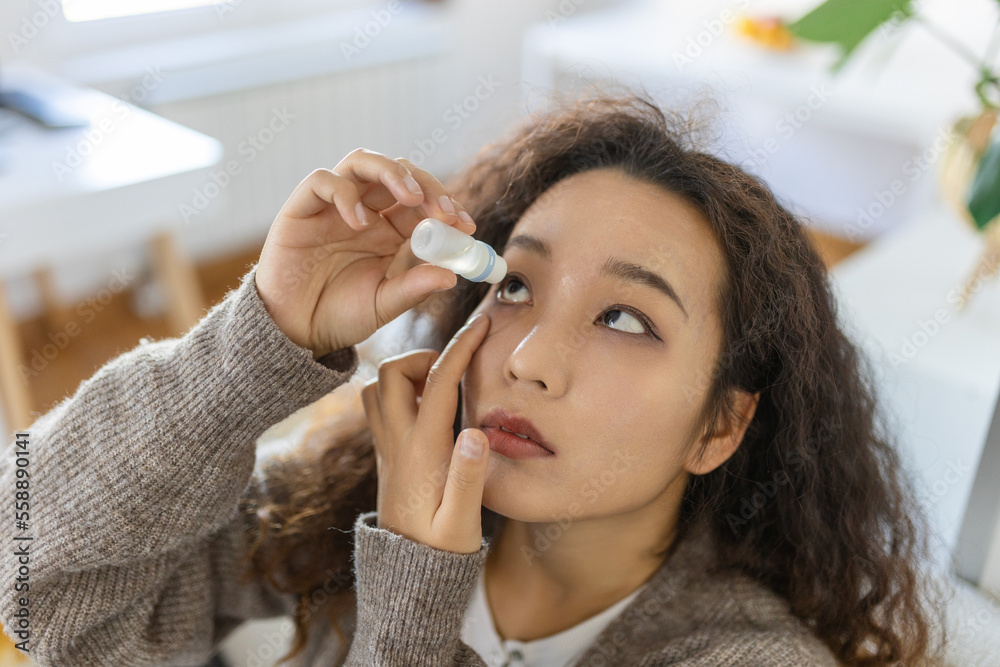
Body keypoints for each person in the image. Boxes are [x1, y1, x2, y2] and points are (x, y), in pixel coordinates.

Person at [0, 85, 950, 666]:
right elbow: (27, 574)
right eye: (518, 285)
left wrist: (415, 589)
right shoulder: (354, 501)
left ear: (722, 426)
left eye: (627, 318)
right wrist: (262, 335)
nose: (530, 359)